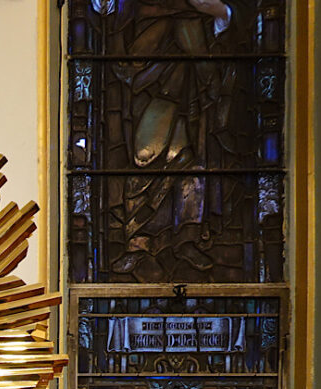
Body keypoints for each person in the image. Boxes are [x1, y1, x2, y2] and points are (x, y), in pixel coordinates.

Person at [97, 0, 242, 282]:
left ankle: (187, 238)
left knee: (192, 155)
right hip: (148, 63)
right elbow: (109, 10)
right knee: (145, 154)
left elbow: (231, 15)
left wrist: (221, 14)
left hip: (193, 59)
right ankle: (138, 239)